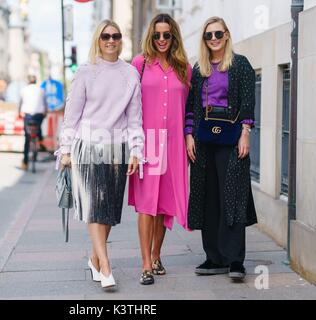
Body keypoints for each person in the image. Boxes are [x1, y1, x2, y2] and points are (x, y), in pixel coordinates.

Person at [58, 20, 144, 289]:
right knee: (95, 207)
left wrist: (136, 150)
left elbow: (134, 119)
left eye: (116, 36)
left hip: (117, 147)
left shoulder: (130, 74)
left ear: (121, 40)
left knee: (109, 211)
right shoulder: (86, 72)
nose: (111, 40)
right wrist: (65, 150)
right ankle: (106, 267)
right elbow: (71, 116)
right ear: (98, 39)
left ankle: (95, 259)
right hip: (88, 145)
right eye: (106, 36)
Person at [185, 17, 258, 281]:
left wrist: (246, 133)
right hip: (203, 141)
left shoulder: (240, 65)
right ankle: (214, 257)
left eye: (218, 33)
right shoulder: (199, 68)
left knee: (233, 196)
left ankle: (235, 260)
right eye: (208, 35)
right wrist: (189, 136)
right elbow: (191, 107)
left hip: (232, 138)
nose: (213, 38)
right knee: (208, 196)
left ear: (227, 35)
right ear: (204, 40)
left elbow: (248, 103)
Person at [128, 14, 192, 286]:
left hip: (175, 143)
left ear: (173, 36)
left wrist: (189, 135)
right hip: (149, 142)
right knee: (147, 205)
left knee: (164, 205)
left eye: (167, 35)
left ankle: (156, 255)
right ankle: (145, 264)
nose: (162, 40)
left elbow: (191, 109)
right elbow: (130, 106)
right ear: (150, 37)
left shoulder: (183, 68)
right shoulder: (139, 64)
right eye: (157, 35)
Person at [19, 75, 48, 170]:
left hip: (27, 114)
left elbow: (20, 103)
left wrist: (20, 112)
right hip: (38, 115)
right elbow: (45, 104)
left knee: (27, 138)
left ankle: (25, 162)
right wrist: (45, 112)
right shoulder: (41, 90)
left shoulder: (24, 90)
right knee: (38, 127)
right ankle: (40, 139)